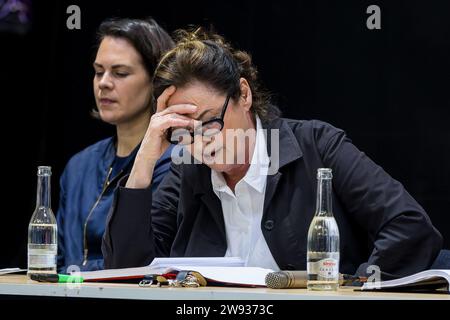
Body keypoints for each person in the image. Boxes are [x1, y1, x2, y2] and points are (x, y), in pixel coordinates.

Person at [102, 28, 442, 279]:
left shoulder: (317, 146)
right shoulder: (187, 169)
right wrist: (146, 156)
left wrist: (354, 285)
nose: (201, 142)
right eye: (185, 131)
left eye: (209, 122)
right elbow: (126, 270)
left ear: (243, 95)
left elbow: (409, 227)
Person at [57, 18, 175, 272]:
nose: (104, 83)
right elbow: (56, 258)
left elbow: (151, 262)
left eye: (120, 73)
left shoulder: (178, 163)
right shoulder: (79, 165)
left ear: (157, 81)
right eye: (99, 71)